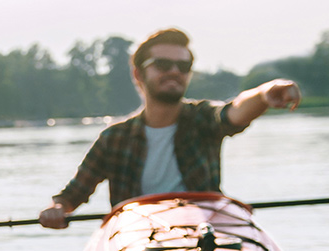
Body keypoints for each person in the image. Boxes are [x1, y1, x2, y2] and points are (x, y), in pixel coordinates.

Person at [39, 27, 301, 228]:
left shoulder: (203, 119)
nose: (174, 71)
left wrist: (265, 94)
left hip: (204, 232)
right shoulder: (113, 138)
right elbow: (71, 196)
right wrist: (57, 209)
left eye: (183, 66)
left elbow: (234, 112)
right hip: (137, 237)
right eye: (163, 65)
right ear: (138, 74)